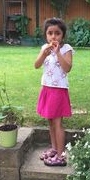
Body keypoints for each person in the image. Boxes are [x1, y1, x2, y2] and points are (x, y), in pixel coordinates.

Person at [34, 17, 74, 167]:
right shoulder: (45, 48)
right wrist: (44, 54)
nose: (53, 36)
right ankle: (54, 149)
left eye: (57, 33)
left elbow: (67, 68)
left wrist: (57, 53)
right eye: (50, 33)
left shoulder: (66, 49)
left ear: (62, 35)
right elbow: (36, 65)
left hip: (58, 91)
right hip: (47, 88)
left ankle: (61, 155)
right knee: (50, 121)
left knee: (57, 123)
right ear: (46, 35)